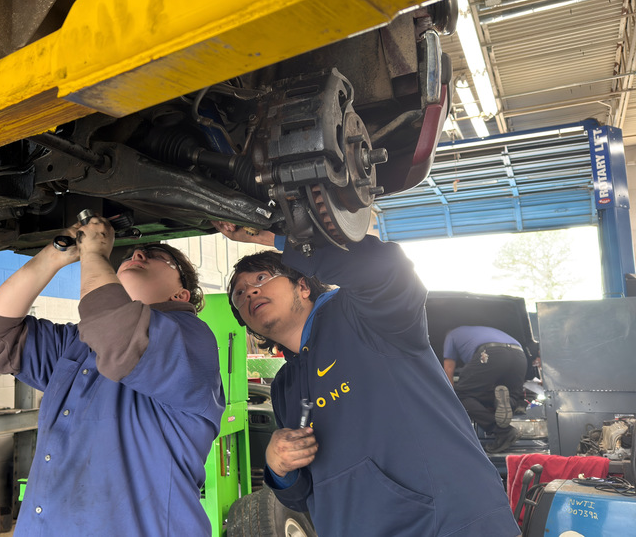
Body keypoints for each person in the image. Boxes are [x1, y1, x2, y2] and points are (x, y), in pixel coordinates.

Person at [212, 221, 520, 537]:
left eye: (262, 278)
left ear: (303, 286)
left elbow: (385, 267)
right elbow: (301, 497)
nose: (249, 291)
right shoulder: (285, 386)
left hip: (448, 522)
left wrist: (270, 235)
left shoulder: (364, 315)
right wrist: (279, 467)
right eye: (239, 294)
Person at [0, 216, 224, 536]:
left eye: (158, 256)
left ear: (181, 295)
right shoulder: (78, 345)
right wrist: (56, 254)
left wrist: (94, 256)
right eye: (131, 255)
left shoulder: (192, 338)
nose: (136, 256)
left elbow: (117, 333)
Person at [443, 325, 528, 454]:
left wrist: (450, 396)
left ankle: (503, 431)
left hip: (490, 353)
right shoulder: (484, 331)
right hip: (519, 355)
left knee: (461, 395)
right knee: (511, 394)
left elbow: (448, 369)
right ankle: (503, 402)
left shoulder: (451, 334)